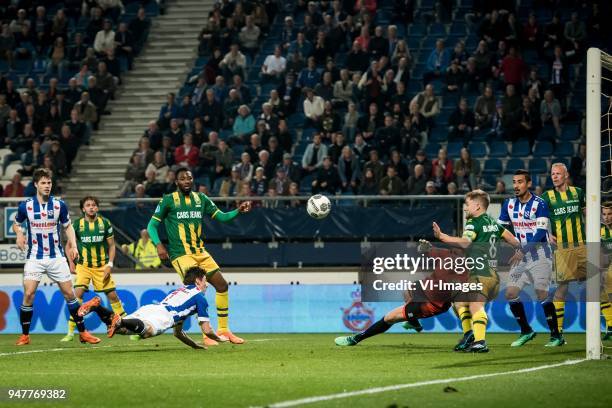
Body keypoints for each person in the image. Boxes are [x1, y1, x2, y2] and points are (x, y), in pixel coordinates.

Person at [147, 168, 252, 345]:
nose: (187, 181)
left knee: (222, 285)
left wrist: (238, 211)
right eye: (182, 178)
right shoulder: (168, 200)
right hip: (181, 254)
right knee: (197, 290)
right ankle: (206, 334)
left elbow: (222, 217)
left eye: (189, 178)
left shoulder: (200, 198)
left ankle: (223, 330)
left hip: (200, 251)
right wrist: (159, 245)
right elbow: (151, 226)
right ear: (176, 182)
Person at [13, 169, 100, 345]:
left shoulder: (59, 205)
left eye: (49, 183)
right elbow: (16, 223)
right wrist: (19, 234)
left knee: (70, 294)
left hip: (56, 257)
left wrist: (73, 245)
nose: (47, 186)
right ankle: (25, 335)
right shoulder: (26, 206)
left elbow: (68, 227)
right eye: (43, 183)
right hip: (35, 257)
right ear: (36, 185)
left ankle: (83, 333)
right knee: (29, 294)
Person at [433, 190, 523, 352]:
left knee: (475, 305)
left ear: (477, 206)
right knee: (459, 302)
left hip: (481, 274)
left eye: (467, 205)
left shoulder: (473, 223)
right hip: (491, 276)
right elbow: (514, 241)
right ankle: (469, 335)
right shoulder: (495, 224)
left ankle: (480, 341)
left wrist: (443, 237)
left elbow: (466, 242)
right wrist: (520, 251)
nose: (465, 209)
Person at [335, 240, 469, 347]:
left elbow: (459, 298)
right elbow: (428, 250)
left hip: (430, 304)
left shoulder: (464, 272)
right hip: (423, 288)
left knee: (389, 318)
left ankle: (356, 339)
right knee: (407, 290)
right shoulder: (447, 254)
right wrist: (426, 248)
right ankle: (414, 323)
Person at [498, 170, 561, 347]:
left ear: (529, 184)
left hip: (540, 254)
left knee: (541, 293)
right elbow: (500, 229)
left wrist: (522, 250)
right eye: (514, 182)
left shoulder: (540, 204)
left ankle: (556, 336)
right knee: (510, 293)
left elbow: (541, 233)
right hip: (522, 255)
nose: (516, 186)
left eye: (520, 182)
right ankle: (526, 330)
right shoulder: (508, 204)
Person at [60, 196, 129, 342]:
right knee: (76, 296)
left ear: (97, 208)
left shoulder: (105, 223)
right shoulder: (77, 224)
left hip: (101, 266)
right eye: (88, 205)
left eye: (93, 205)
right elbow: (68, 245)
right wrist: (71, 263)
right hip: (83, 266)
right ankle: (71, 332)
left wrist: (110, 265)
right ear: (83, 209)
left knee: (113, 296)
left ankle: (128, 326)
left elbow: (111, 246)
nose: (91, 207)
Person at [106, 266, 227, 348]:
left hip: (151, 308)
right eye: (205, 281)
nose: (207, 285)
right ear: (197, 281)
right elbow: (207, 330)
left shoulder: (181, 291)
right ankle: (120, 320)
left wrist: (194, 345)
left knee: (122, 329)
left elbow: (178, 333)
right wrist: (220, 338)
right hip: (163, 316)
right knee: (147, 331)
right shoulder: (199, 298)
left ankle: (101, 312)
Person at [542, 163, 586, 346]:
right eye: (552, 174)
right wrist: (546, 233)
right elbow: (539, 219)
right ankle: (558, 334)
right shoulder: (547, 197)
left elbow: (587, 213)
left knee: (600, 281)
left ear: (566, 175)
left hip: (583, 246)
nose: (555, 176)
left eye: (558, 173)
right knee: (562, 288)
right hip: (562, 248)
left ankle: (609, 326)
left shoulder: (578, 193)